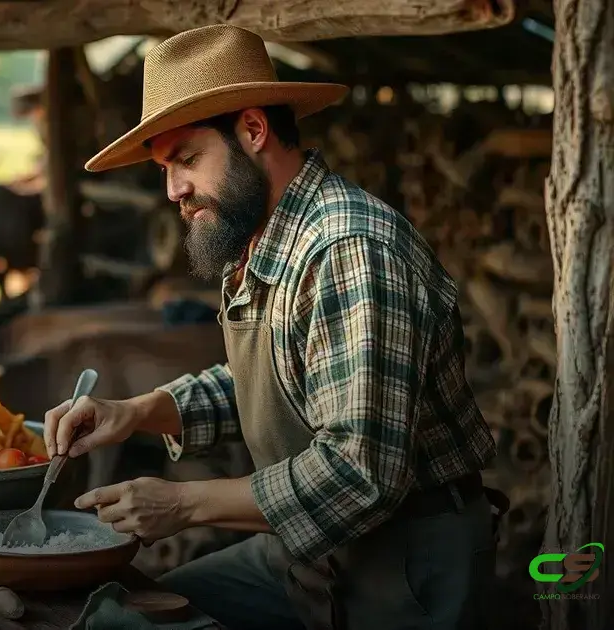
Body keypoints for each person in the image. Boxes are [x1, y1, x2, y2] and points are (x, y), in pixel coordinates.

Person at [43, 24, 508, 630]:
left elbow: (357, 473)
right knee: (132, 616)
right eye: (164, 169)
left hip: (403, 561)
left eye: (186, 159)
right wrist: (137, 411)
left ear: (253, 130)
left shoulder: (348, 249)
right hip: (308, 552)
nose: (174, 190)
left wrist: (183, 503)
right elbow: (273, 384)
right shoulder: (260, 236)